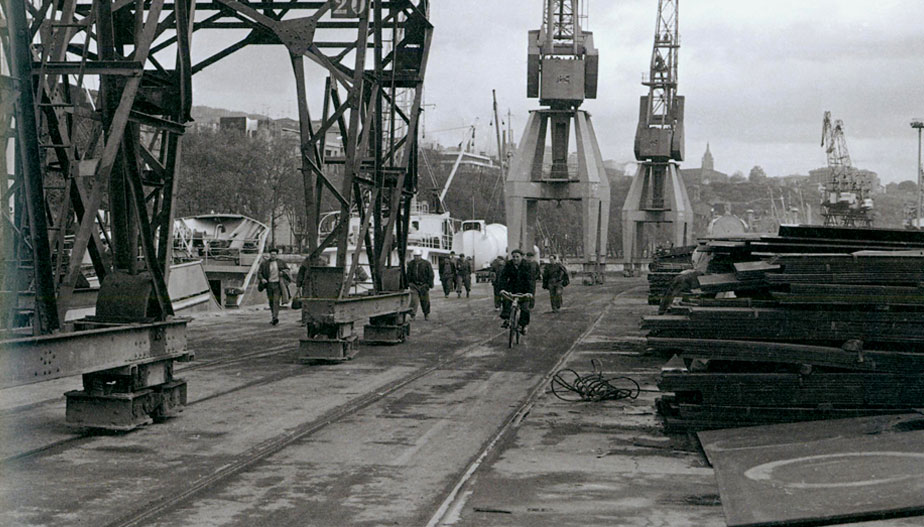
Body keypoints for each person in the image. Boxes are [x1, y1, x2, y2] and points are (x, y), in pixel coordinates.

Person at [657, 246, 712, 315]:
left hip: (702, 276)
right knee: (676, 283)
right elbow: (699, 267)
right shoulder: (704, 254)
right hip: (700, 275)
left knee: (677, 285)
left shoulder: (706, 254)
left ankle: (664, 309)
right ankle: (665, 308)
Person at [499, 249, 533, 334]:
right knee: (506, 301)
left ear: (521, 257)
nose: (515, 258)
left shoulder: (527, 265)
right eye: (513, 257)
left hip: (524, 289)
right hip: (511, 288)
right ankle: (507, 319)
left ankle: (523, 325)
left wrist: (530, 292)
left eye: (517, 257)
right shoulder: (509, 264)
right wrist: (502, 289)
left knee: (525, 308)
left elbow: (530, 280)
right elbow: (503, 277)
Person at [258, 247, 291, 325]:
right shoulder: (265, 263)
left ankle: (275, 317)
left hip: (278, 284)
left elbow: (288, 270)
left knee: (276, 301)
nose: (273, 256)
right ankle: (273, 316)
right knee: (271, 301)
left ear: (277, 255)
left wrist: (283, 273)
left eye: (274, 254)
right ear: (270, 255)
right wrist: (262, 279)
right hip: (269, 284)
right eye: (272, 254)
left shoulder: (281, 262)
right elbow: (259, 272)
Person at [406, 249, 434, 320]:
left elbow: (431, 274)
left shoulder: (427, 263)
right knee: (414, 301)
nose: (416, 258)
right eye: (415, 256)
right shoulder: (411, 264)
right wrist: (409, 283)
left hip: (424, 285)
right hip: (414, 285)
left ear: (420, 256)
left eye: (418, 256)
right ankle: (413, 315)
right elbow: (408, 275)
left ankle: (426, 314)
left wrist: (429, 284)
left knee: (425, 301)